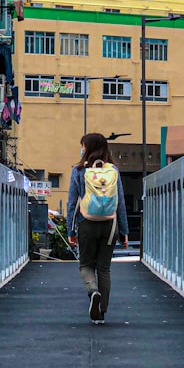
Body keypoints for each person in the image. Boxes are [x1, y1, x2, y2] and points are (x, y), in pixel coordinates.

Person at [66, 133, 129, 325]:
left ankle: (93, 291)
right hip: (109, 225)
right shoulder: (113, 170)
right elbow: (120, 203)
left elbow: (71, 204)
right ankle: (101, 312)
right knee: (104, 268)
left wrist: (71, 230)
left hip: (86, 223)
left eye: (82, 145)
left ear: (87, 148)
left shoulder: (78, 171)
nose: (82, 149)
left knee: (86, 264)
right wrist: (124, 231)